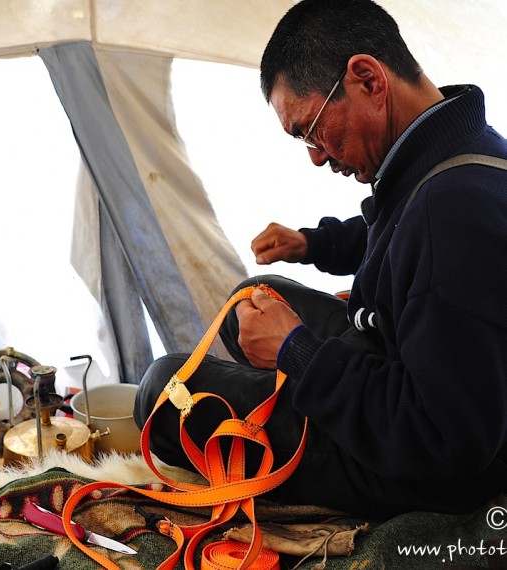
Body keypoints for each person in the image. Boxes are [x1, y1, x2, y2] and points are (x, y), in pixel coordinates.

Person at [134, 0, 507, 518]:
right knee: (253, 296)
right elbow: (394, 237)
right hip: (399, 363)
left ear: (368, 80)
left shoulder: (452, 214)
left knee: (161, 390)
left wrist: (298, 353)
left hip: (429, 465)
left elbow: (445, 437)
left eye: (310, 129)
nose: (314, 155)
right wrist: (312, 245)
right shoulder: (459, 154)